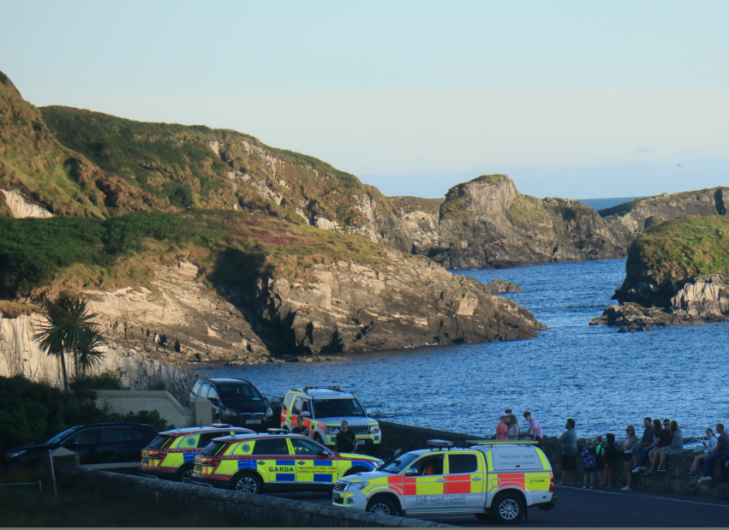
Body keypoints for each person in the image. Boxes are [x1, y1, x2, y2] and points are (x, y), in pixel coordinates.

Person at [559, 418, 578, 485]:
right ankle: (571, 481)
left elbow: (560, 440)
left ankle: (563, 480)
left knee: (565, 467)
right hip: (573, 451)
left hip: (567, 452)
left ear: (570, 425)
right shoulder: (574, 432)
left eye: (567, 423)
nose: (565, 425)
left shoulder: (567, 433)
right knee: (571, 468)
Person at [621, 426, 638, 490]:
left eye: (630, 430)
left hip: (630, 454)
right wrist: (624, 447)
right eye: (627, 430)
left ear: (632, 430)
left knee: (629, 470)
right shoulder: (626, 437)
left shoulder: (634, 438)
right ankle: (627, 484)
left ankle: (628, 485)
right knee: (626, 470)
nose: (628, 431)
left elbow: (627, 446)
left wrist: (624, 447)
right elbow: (622, 446)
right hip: (626, 454)